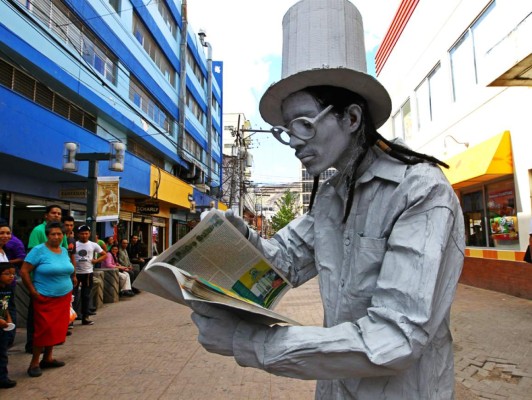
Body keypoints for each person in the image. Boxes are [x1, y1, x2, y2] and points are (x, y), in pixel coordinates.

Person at [190, 1, 465, 399]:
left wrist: (250, 342)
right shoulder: (331, 198)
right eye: (286, 131)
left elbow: (395, 336)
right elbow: (280, 264)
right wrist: (234, 242)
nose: (295, 143)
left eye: (303, 124)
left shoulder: (420, 191)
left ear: (351, 118)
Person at [20, 222, 75, 378]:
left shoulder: (64, 250)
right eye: (53, 234)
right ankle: (35, 362)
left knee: (56, 329)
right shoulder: (38, 251)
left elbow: (68, 268)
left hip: (63, 296)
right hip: (45, 297)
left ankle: (48, 358)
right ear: (47, 235)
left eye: (59, 234)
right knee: (43, 330)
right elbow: (24, 272)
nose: (56, 237)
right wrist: (33, 291)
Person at [25, 204, 66, 353]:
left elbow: (66, 252)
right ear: (46, 215)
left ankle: (49, 353)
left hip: (60, 292)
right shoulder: (38, 231)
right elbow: (31, 260)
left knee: (54, 323)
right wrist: (32, 288)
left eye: (59, 213)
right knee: (38, 321)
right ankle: (32, 346)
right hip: (41, 288)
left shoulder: (63, 233)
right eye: (53, 213)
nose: (56, 215)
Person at [73, 225, 106, 326]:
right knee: (73, 296)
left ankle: (85, 317)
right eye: (82, 233)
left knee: (86, 296)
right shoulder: (74, 244)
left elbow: (104, 254)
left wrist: (96, 261)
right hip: (75, 274)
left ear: (89, 234)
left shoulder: (93, 245)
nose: (84, 235)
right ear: (78, 234)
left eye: (86, 233)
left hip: (87, 273)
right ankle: (71, 318)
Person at [0, 223, 20, 347]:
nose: (5, 236)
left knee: (6, 312)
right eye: (2, 233)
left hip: (6, 290)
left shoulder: (4, 250)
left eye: (8, 233)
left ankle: (7, 339)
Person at [0, 262, 16, 389]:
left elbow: (5, 306)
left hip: (3, 324)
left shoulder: (7, 288)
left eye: (13, 274)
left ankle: (3, 378)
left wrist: (8, 318)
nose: (11, 276)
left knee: (3, 352)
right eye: (7, 274)